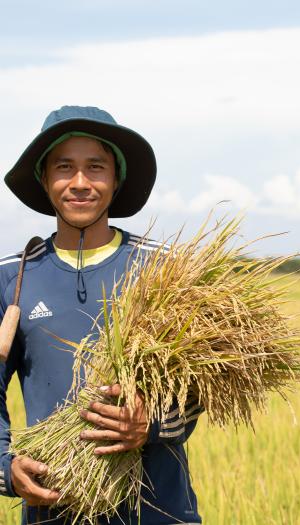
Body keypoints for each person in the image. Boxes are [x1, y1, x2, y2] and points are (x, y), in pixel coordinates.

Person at [0, 106, 203, 524]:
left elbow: (204, 386)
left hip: (158, 510)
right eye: (64, 167)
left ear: (116, 179)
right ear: (44, 179)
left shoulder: (166, 271)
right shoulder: (12, 278)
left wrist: (148, 425)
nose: (79, 183)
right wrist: (5, 467)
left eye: (95, 167)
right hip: (55, 507)